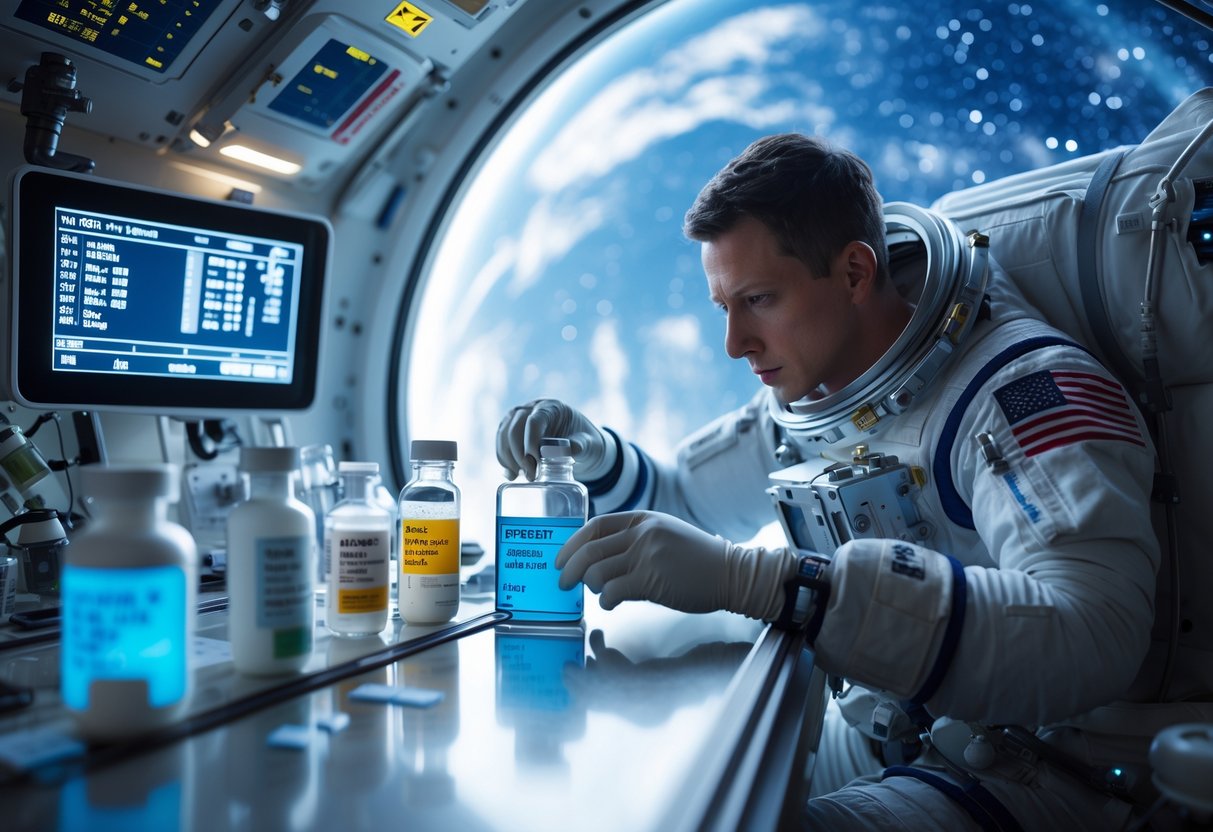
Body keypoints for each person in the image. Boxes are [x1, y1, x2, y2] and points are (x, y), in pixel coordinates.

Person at [496, 134, 1168, 830]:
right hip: (899, 724)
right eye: (724, 306)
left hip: (1044, 766)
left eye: (758, 299)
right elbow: (684, 504)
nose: (734, 343)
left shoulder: (1021, 394)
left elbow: (1096, 636)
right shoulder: (812, 397)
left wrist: (767, 585)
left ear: (853, 273)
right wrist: (595, 455)